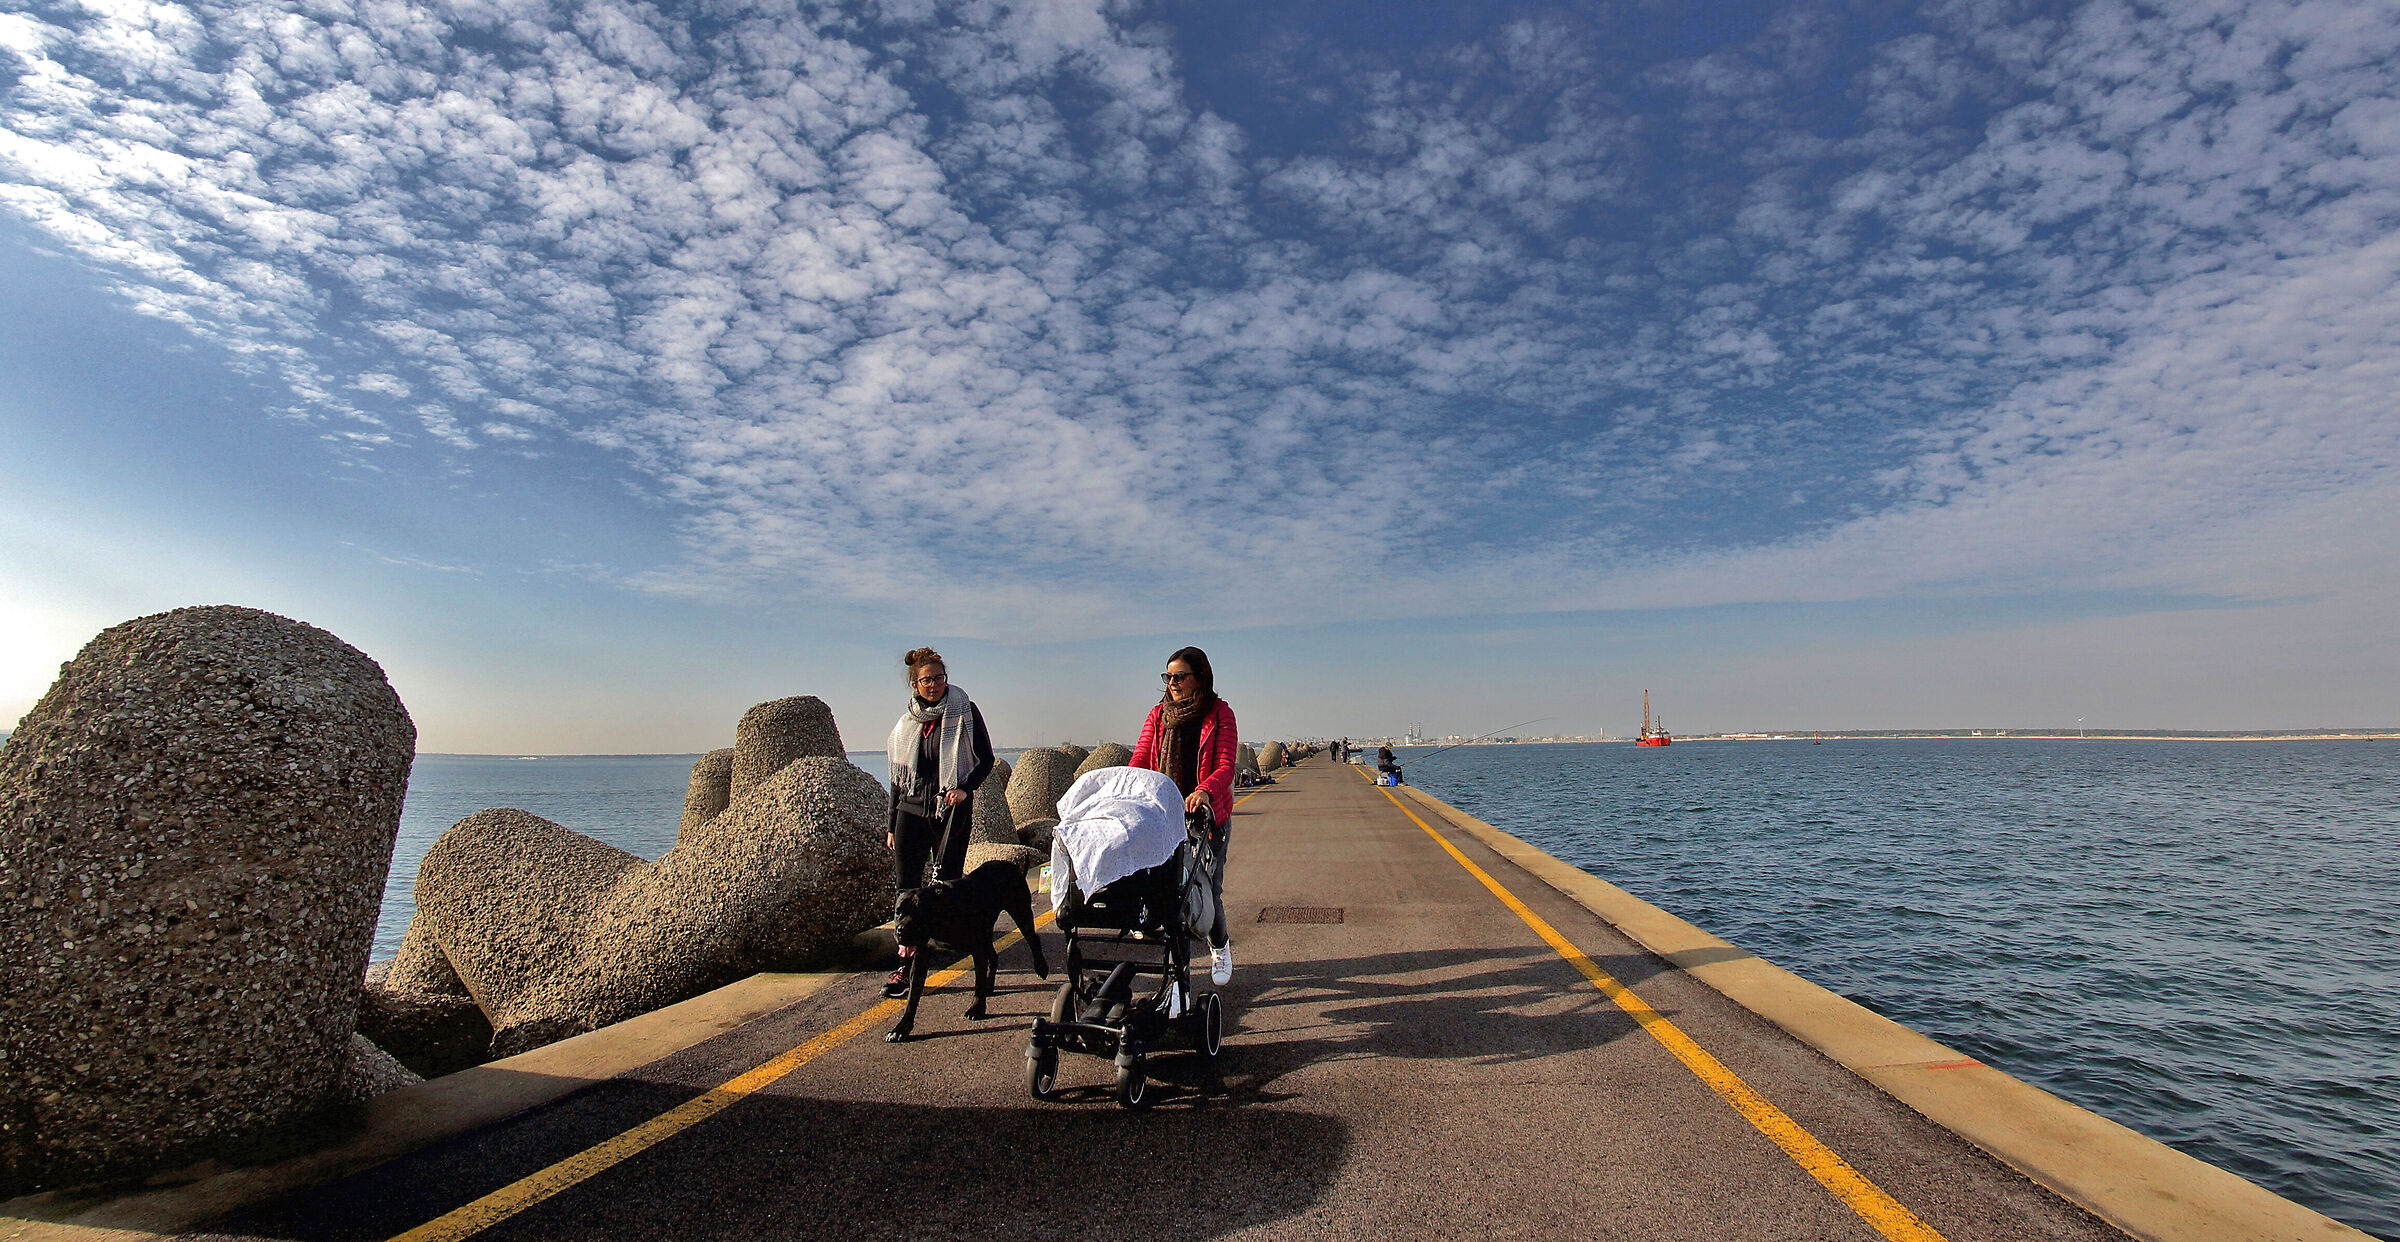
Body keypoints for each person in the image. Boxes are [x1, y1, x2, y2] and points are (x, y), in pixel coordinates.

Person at [883, 647, 995, 998]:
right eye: (927, 680)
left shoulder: (965, 710)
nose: (934, 685)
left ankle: (956, 948)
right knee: (906, 893)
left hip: (950, 815)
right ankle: (905, 965)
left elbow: (986, 759)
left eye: (939, 678)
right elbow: (898, 778)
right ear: (915, 684)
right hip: (910, 814)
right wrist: (890, 823)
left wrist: (964, 788)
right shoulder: (907, 722)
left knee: (945, 885)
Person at [1129, 646, 1239, 985]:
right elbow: (1140, 758)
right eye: (1169, 677)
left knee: (1206, 888)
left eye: (1180, 676)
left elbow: (1224, 765)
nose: (1173, 683)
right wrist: (1128, 788)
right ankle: (1178, 975)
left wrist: (1204, 790)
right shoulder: (1157, 715)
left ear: (1200, 678)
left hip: (1206, 816)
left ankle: (1219, 946)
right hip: (1164, 815)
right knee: (1166, 892)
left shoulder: (1220, 714)